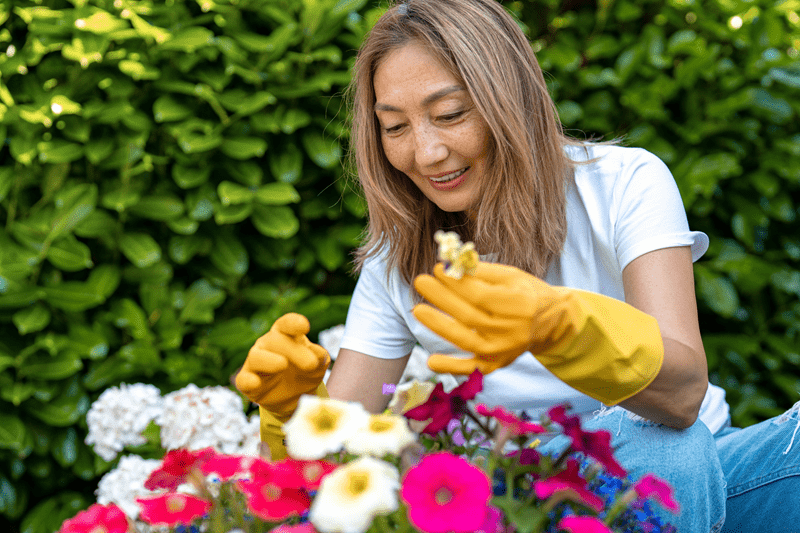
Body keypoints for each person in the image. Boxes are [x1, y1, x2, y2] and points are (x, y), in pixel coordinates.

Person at [235, 0, 800, 530]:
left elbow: (682, 394)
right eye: (396, 127)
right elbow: (330, 468)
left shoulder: (625, 182)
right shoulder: (401, 255)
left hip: (702, 456)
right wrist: (288, 414)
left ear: (511, 99)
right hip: (529, 487)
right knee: (667, 454)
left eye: (450, 113)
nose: (427, 152)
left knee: (677, 446)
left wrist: (562, 326)